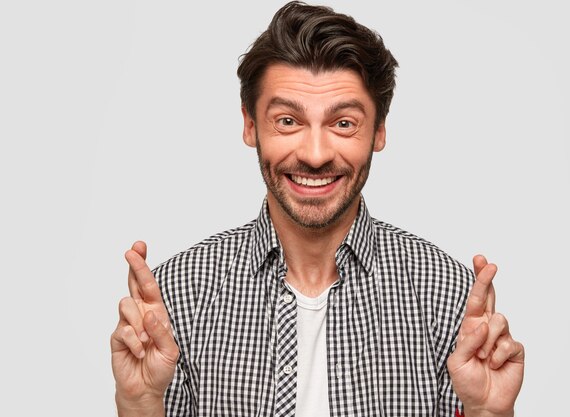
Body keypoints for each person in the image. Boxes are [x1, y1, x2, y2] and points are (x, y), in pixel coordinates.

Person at [110, 2, 525, 416]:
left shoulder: (447, 295)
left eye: (343, 123)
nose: (314, 154)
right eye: (287, 121)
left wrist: (489, 413)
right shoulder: (179, 295)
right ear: (250, 125)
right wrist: (140, 402)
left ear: (378, 131)